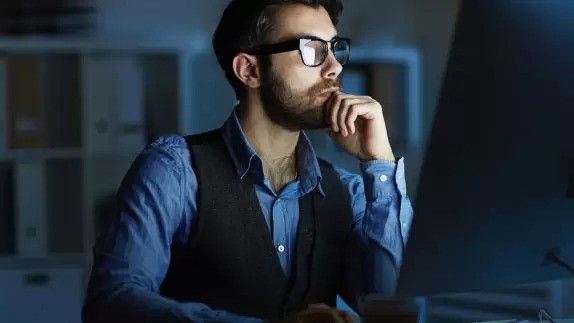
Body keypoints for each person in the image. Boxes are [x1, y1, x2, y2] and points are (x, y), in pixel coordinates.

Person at [82, 0, 413, 322]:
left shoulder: (347, 190)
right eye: (313, 50)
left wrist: (379, 162)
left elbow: (396, 306)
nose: (336, 67)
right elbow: (111, 302)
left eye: (335, 47)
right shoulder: (175, 171)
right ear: (250, 70)